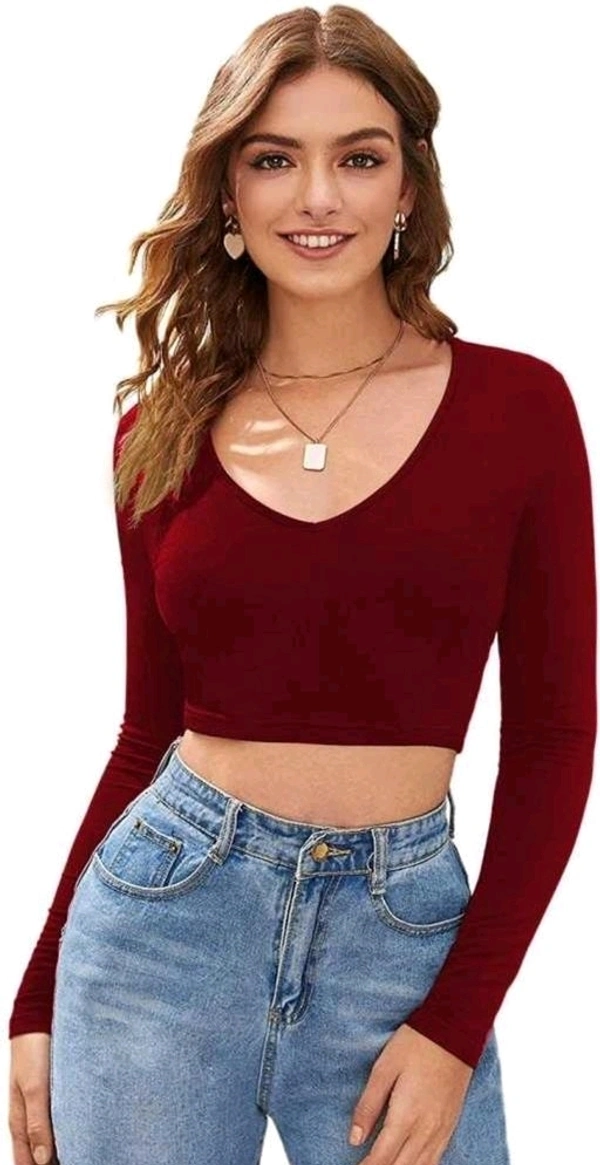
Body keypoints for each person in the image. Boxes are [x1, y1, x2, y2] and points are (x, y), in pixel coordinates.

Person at [8, 5, 596, 1165]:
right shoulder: (158, 433)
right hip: (159, 936)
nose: (317, 197)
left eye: (357, 158)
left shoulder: (520, 410)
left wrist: (455, 1023)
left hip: (402, 940)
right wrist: (35, 997)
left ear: (408, 188)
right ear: (228, 195)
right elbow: (147, 733)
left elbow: (552, 738)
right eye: (275, 159)